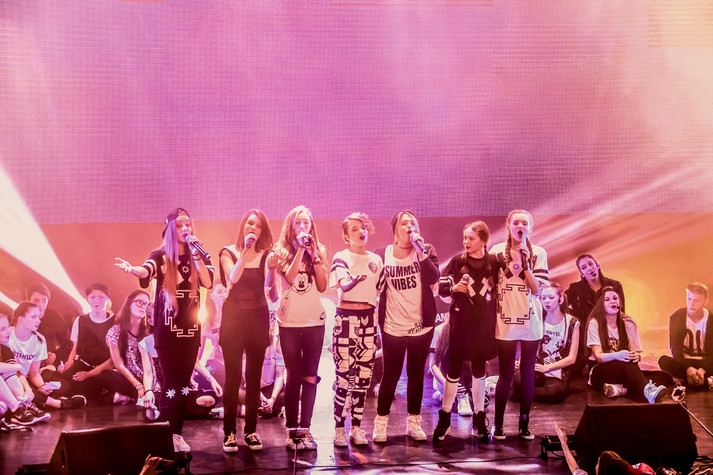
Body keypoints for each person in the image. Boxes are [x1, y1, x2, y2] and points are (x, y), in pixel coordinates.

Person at [115, 207, 214, 454]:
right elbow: (146, 270)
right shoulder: (160, 256)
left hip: (190, 332)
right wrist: (132, 270)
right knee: (171, 383)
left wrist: (197, 256)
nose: (185, 229)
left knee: (183, 386)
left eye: (187, 224)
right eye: (179, 225)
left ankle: (175, 434)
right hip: (168, 332)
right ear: (170, 229)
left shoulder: (198, 254)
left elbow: (208, 282)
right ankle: (168, 434)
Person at [372, 210, 439, 443]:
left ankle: (413, 422)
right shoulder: (382, 254)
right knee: (390, 375)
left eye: (413, 222)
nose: (409, 226)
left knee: (416, 374)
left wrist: (421, 253)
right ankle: (381, 423)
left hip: (421, 325)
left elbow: (433, 277)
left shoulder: (426, 250)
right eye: (404, 223)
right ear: (395, 229)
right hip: (393, 325)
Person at [218, 209, 277, 453]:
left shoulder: (266, 255)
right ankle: (229, 432)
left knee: (254, 379)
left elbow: (270, 289)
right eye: (250, 223)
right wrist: (244, 251)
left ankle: (251, 431)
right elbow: (232, 278)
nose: (253, 228)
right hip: (233, 319)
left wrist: (273, 269)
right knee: (233, 378)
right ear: (243, 225)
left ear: (263, 231)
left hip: (257, 317)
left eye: (258, 225)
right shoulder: (228, 252)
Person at [433, 221, 498, 441]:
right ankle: (444, 419)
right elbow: (441, 287)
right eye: (464, 238)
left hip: (484, 325)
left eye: (471, 238)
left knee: (479, 369)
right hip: (460, 323)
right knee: (454, 369)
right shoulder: (457, 261)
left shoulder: (493, 262)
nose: (466, 242)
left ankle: (479, 419)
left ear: (483, 240)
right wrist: (453, 288)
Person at [490, 210, 549, 440]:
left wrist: (525, 265)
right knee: (506, 373)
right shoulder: (496, 251)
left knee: (527, 372)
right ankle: (498, 424)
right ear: (509, 226)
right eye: (516, 223)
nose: (520, 226)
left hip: (530, 320)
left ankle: (524, 423)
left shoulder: (539, 253)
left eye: (525, 223)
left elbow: (536, 288)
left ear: (530, 228)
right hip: (505, 319)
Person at [274, 205, 328, 450]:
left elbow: (323, 285)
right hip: (289, 324)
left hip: (315, 322)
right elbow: (289, 277)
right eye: (299, 223)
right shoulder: (281, 252)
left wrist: (314, 254)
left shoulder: (319, 250)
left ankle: (306, 429)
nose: (303, 227)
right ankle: (291, 431)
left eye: (307, 222)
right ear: (291, 227)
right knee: (293, 375)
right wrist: (300, 250)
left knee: (310, 377)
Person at [329, 212, 384, 446]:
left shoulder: (376, 260)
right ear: (346, 235)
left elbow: (380, 291)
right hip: (346, 319)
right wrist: (353, 281)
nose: (361, 232)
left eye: (363, 227)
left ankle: (356, 427)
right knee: (344, 377)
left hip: (368, 320)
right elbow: (344, 285)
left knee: (363, 378)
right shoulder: (341, 257)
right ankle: (339, 428)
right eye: (354, 229)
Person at [586, 287, 667, 403]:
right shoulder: (595, 323)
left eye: (615, 298)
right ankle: (647, 391)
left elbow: (634, 353)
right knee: (628, 362)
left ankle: (621, 390)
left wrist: (637, 357)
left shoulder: (628, 322)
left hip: (623, 370)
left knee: (665, 377)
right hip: (600, 372)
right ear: (600, 304)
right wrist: (617, 355)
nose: (613, 301)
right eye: (607, 299)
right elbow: (598, 357)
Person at [5, 302, 85, 412]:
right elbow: (11, 371)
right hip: (10, 379)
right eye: (34, 317)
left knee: (63, 386)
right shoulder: (6, 335)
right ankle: (58, 403)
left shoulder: (39, 339)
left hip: (27, 380)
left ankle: (36, 402)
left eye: (38, 317)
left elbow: (34, 374)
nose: (39, 320)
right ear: (21, 319)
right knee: (18, 387)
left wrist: (42, 386)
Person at [512, 283, 579, 403]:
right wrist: (521, 361)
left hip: (556, 371)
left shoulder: (572, 323)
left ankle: (522, 394)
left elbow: (572, 358)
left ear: (560, 299)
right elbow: (528, 345)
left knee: (554, 392)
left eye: (551, 297)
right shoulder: (537, 318)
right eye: (543, 298)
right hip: (537, 367)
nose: (547, 301)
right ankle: (528, 392)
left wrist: (548, 367)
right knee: (518, 380)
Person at [61, 283, 124, 401]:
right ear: (87, 299)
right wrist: (68, 370)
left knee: (90, 389)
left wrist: (89, 374)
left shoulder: (116, 322)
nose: (97, 301)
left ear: (107, 299)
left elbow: (114, 358)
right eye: (92, 297)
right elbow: (74, 349)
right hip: (83, 365)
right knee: (64, 383)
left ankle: (112, 394)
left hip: (105, 369)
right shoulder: (80, 320)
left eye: (101, 297)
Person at [566, 255, 625, 377]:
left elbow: (620, 311)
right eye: (584, 267)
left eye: (591, 264)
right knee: (576, 371)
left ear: (597, 265)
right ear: (581, 273)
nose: (589, 268)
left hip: (608, 334)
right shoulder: (575, 289)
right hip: (584, 337)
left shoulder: (615, 285)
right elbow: (561, 303)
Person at [658, 282, 713, 389]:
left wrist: (702, 370)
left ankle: (687, 381)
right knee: (663, 360)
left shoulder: (711, 320)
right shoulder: (676, 317)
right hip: (684, 362)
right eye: (689, 299)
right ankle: (706, 382)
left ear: (705, 301)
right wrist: (688, 368)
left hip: (706, 363)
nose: (691, 304)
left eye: (696, 300)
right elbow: (675, 350)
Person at [0, 311, 49, 426]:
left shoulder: (4, 348)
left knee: (9, 372)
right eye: (3, 329)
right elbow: (16, 368)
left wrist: (27, 390)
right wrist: (18, 366)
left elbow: (16, 372)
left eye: (7, 327)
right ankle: (16, 408)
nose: (8, 331)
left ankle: (23, 406)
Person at [106, 290, 152, 401]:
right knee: (106, 375)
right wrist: (137, 385)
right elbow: (119, 365)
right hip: (129, 378)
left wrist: (145, 386)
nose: (143, 306)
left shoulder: (148, 332)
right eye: (139, 302)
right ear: (129, 304)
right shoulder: (115, 331)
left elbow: (151, 368)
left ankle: (132, 397)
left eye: (146, 304)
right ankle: (136, 397)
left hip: (148, 378)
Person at [27, 282, 72, 369]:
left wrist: (55, 355)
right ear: (29, 301)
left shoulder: (54, 316)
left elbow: (68, 344)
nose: (40, 305)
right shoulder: (21, 317)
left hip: (50, 365)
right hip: (27, 364)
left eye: (44, 300)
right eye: (36, 300)